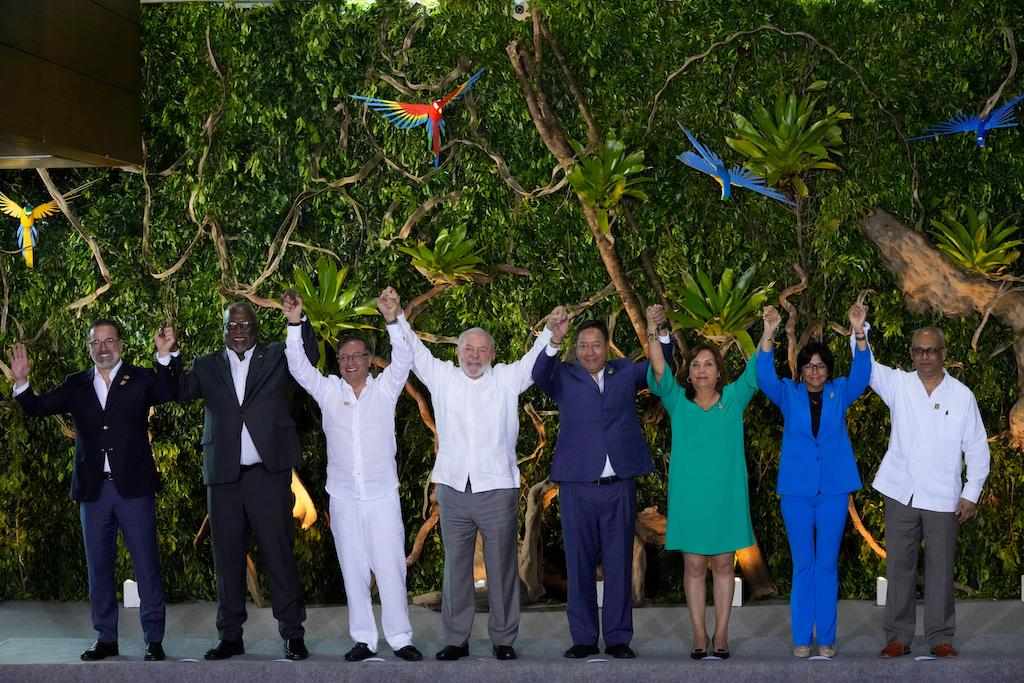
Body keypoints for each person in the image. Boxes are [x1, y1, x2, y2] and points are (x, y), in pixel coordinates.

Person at [8, 320, 179, 662]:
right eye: (96, 343)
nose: (103, 348)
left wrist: (164, 355)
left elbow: (169, 390)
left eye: (109, 341)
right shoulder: (76, 384)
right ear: (89, 348)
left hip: (134, 490)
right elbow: (37, 408)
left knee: (146, 566)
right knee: (98, 568)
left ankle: (154, 639)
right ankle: (106, 639)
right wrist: (22, 382)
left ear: (120, 344)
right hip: (93, 493)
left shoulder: (141, 378)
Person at [395, 308, 559, 661]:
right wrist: (396, 319)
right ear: (457, 352)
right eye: (468, 349)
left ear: (493, 355)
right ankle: (456, 639)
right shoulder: (441, 376)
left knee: (502, 567)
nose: (474, 355)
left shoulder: (505, 379)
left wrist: (549, 332)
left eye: (482, 350)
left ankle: (503, 640)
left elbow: (534, 360)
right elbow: (414, 350)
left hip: (498, 488)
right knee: (455, 567)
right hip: (453, 489)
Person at [283, 287, 422, 662]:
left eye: (356, 356)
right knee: (354, 572)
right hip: (343, 499)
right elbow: (298, 367)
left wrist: (394, 319)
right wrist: (294, 323)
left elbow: (404, 357)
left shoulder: (385, 389)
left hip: (382, 497)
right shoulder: (328, 391)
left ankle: (400, 638)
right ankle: (364, 639)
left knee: (391, 570)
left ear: (367, 359)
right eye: (343, 357)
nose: (349, 362)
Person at [176, 293, 318, 661]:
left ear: (256, 328)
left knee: (279, 555)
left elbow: (310, 358)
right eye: (231, 325)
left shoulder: (276, 357)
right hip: (223, 479)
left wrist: (296, 321)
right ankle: (230, 637)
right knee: (227, 560)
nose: (239, 330)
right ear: (223, 330)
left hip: (268, 477)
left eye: (245, 324)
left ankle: (292, 634)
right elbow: (180, 390)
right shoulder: (206, 366)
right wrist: (168, 357)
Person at [530, 308, 672, 659]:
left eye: (596, 345)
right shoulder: (562, 376)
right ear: (575, 349)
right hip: (577, 485)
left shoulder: (625, 371)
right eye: (583, 346)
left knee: (618, 562)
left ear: (608, 347)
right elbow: (537, 372)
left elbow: (660, 368)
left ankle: (619, 637)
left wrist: (658, 332)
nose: (590, 351)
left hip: (618, 484)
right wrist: (555, 337)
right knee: (578, 563)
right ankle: (583, 638)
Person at [756, 303, 871, 658]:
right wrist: (769, 333)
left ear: (827, 370)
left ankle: (828, 640)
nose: (814, 371)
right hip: (796, 491)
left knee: (826, 565)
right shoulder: (788, 394)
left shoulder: (841, 392)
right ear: (801, 369)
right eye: (808, 366)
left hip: (834, 490)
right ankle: (803, 638)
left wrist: (859, 331)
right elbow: (764, 377)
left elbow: (862, 375)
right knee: (803, 563)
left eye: (820, 366)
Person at [870, 325, 990, 659]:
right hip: (900, 493)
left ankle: (940, 636)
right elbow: (866, 367)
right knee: (898, 569)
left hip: (942, 497)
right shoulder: (898, 384)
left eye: (931, 350)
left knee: (941, 569)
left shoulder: (962, 395)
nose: (925, 357)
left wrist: (972, 492)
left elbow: (978, 448)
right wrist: (858, 332)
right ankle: (898, 637)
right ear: (911, 354)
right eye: (919, 351)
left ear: (944, 354)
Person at [646, 305, 758, 659]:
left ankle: (721, 634)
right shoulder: (676, 402)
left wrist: (767, 332)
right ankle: (699, 634)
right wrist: (653, 327)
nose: (702, 369)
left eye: (708, 364)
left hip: (726, 497)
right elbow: (659, 367)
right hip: (690, 498)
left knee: (725, 564)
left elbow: (757, 369)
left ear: (719, 372)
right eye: (695, 365)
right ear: (689, 375)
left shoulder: (735, 400)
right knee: (694, 566)